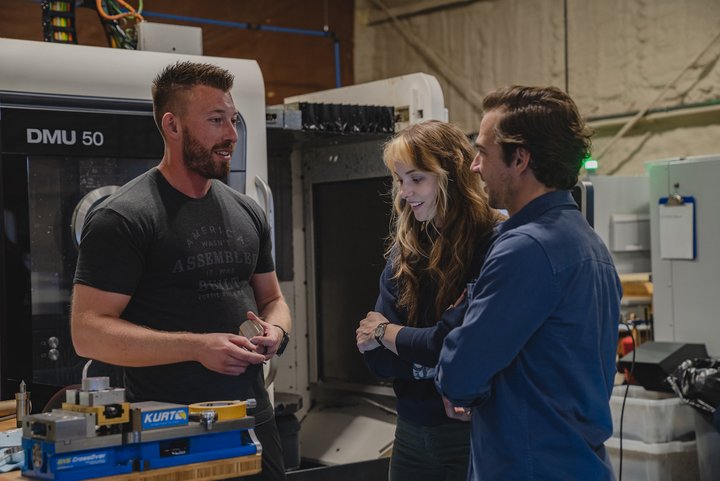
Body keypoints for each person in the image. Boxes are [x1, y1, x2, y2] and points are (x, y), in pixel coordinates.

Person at [71, 61, 291, 481]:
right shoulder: (124, 217)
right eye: (215, 121)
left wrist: (275, 332)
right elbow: (88, 332)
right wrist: (197, 347)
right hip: (167, 428)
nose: (231, 135)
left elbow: (273, 299)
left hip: (251, 421)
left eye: (233, 121)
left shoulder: (247, 211)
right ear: (172, 125)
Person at [435, 86, 622, 481]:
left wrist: (457, 329)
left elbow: (460, 374)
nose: (473, 167)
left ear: (520, 159)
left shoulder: (526, 249)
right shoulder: (589, 245)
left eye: (482, 152)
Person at [355, 120, 500, 481]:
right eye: (400, 179)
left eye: (417, 179)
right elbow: (375, 359)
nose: (405, 192)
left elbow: (459, 345)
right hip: (410, 433)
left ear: (451, 175)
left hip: (471, 432)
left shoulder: (493, 243)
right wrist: (429, 357)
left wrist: (387, 333)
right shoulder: (406, 252)